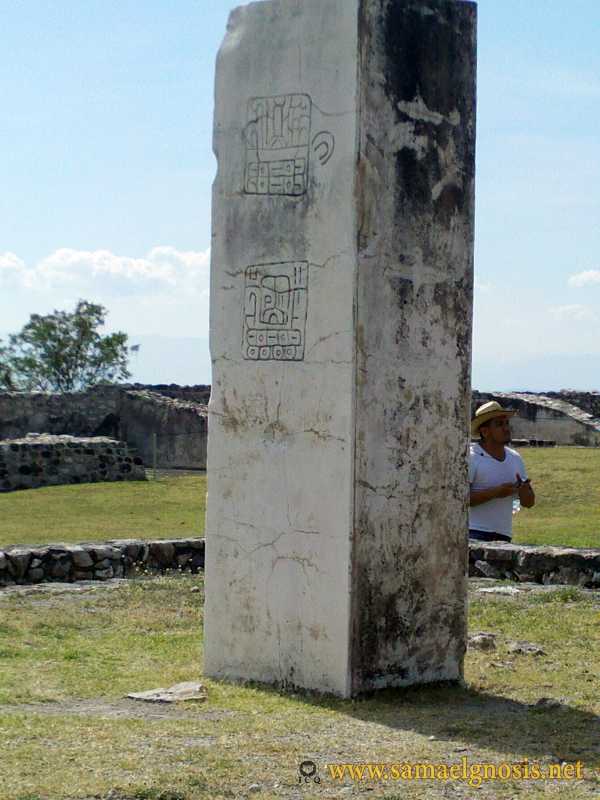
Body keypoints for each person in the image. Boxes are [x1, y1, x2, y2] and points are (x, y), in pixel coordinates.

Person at [469, 401, 535, 542]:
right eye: (499, 424)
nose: (506, 428)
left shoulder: (515, 458)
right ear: (485, 432)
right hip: (474, 532)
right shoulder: (471, 456)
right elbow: (460, 499)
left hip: (504, 535)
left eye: (506, 423)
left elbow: (529, 503)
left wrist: (524, 491)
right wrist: (496, 493)